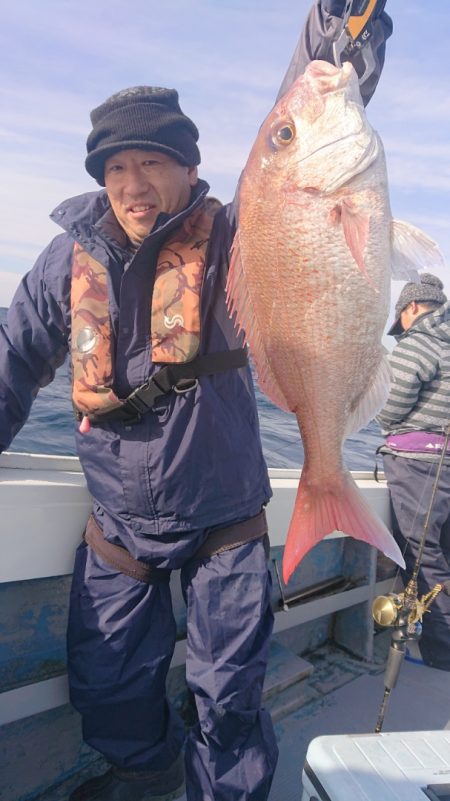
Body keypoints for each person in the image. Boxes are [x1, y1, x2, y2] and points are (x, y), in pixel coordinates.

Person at [0, 3, 393, 800]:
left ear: (187, 167)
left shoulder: (234, 234)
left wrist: (342, 30)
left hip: (226, 524)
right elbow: (12, 360)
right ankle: (145, 777)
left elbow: (300, 136)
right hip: (119, 530)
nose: (134, 184)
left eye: (152, 162)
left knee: (231, 696)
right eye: (116, 168)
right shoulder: (63, 260)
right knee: (108, 685)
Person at [377, 273, 450, 671]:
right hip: (445, 467)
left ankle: (443, 654)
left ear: (412, 309)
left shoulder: (419, 341)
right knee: (444, 552)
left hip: (417, 468)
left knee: (424, 559)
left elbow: (388, 406)